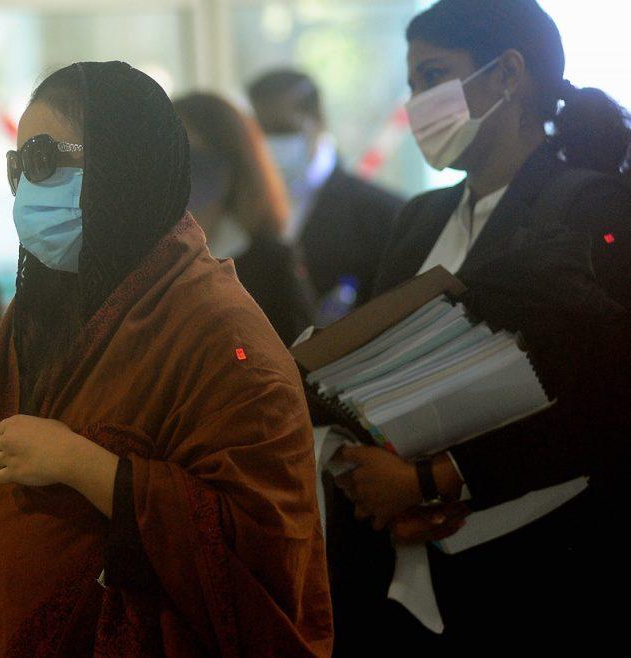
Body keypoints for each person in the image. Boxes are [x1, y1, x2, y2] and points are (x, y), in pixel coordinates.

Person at [0, 61, 333, 657]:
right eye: (17, 166)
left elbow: (264, 551)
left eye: (44, 160)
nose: (27, 188)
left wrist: (87, 467)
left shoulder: (218, 331)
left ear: (124, 165)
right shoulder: (38, 315)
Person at [324, 1, 631, 654]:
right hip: (406, 568)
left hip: (543, 573)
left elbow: (609, 402)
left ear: (508, 74)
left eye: (434, 76)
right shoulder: (418, 218)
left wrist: (434, 480)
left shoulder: (590, 208)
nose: (417, 104)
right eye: (412, 84)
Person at [248, 68, 405, 318]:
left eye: (282, 130)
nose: (271, 144)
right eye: (260, 133)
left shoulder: (383, 213)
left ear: (318, 119)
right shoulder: (243, 212)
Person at [173, 92, 316, 347]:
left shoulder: (272, 265)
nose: (181, 171)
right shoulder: (140, 263)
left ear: (231, 166)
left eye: (194, 157)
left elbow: (300, 358)